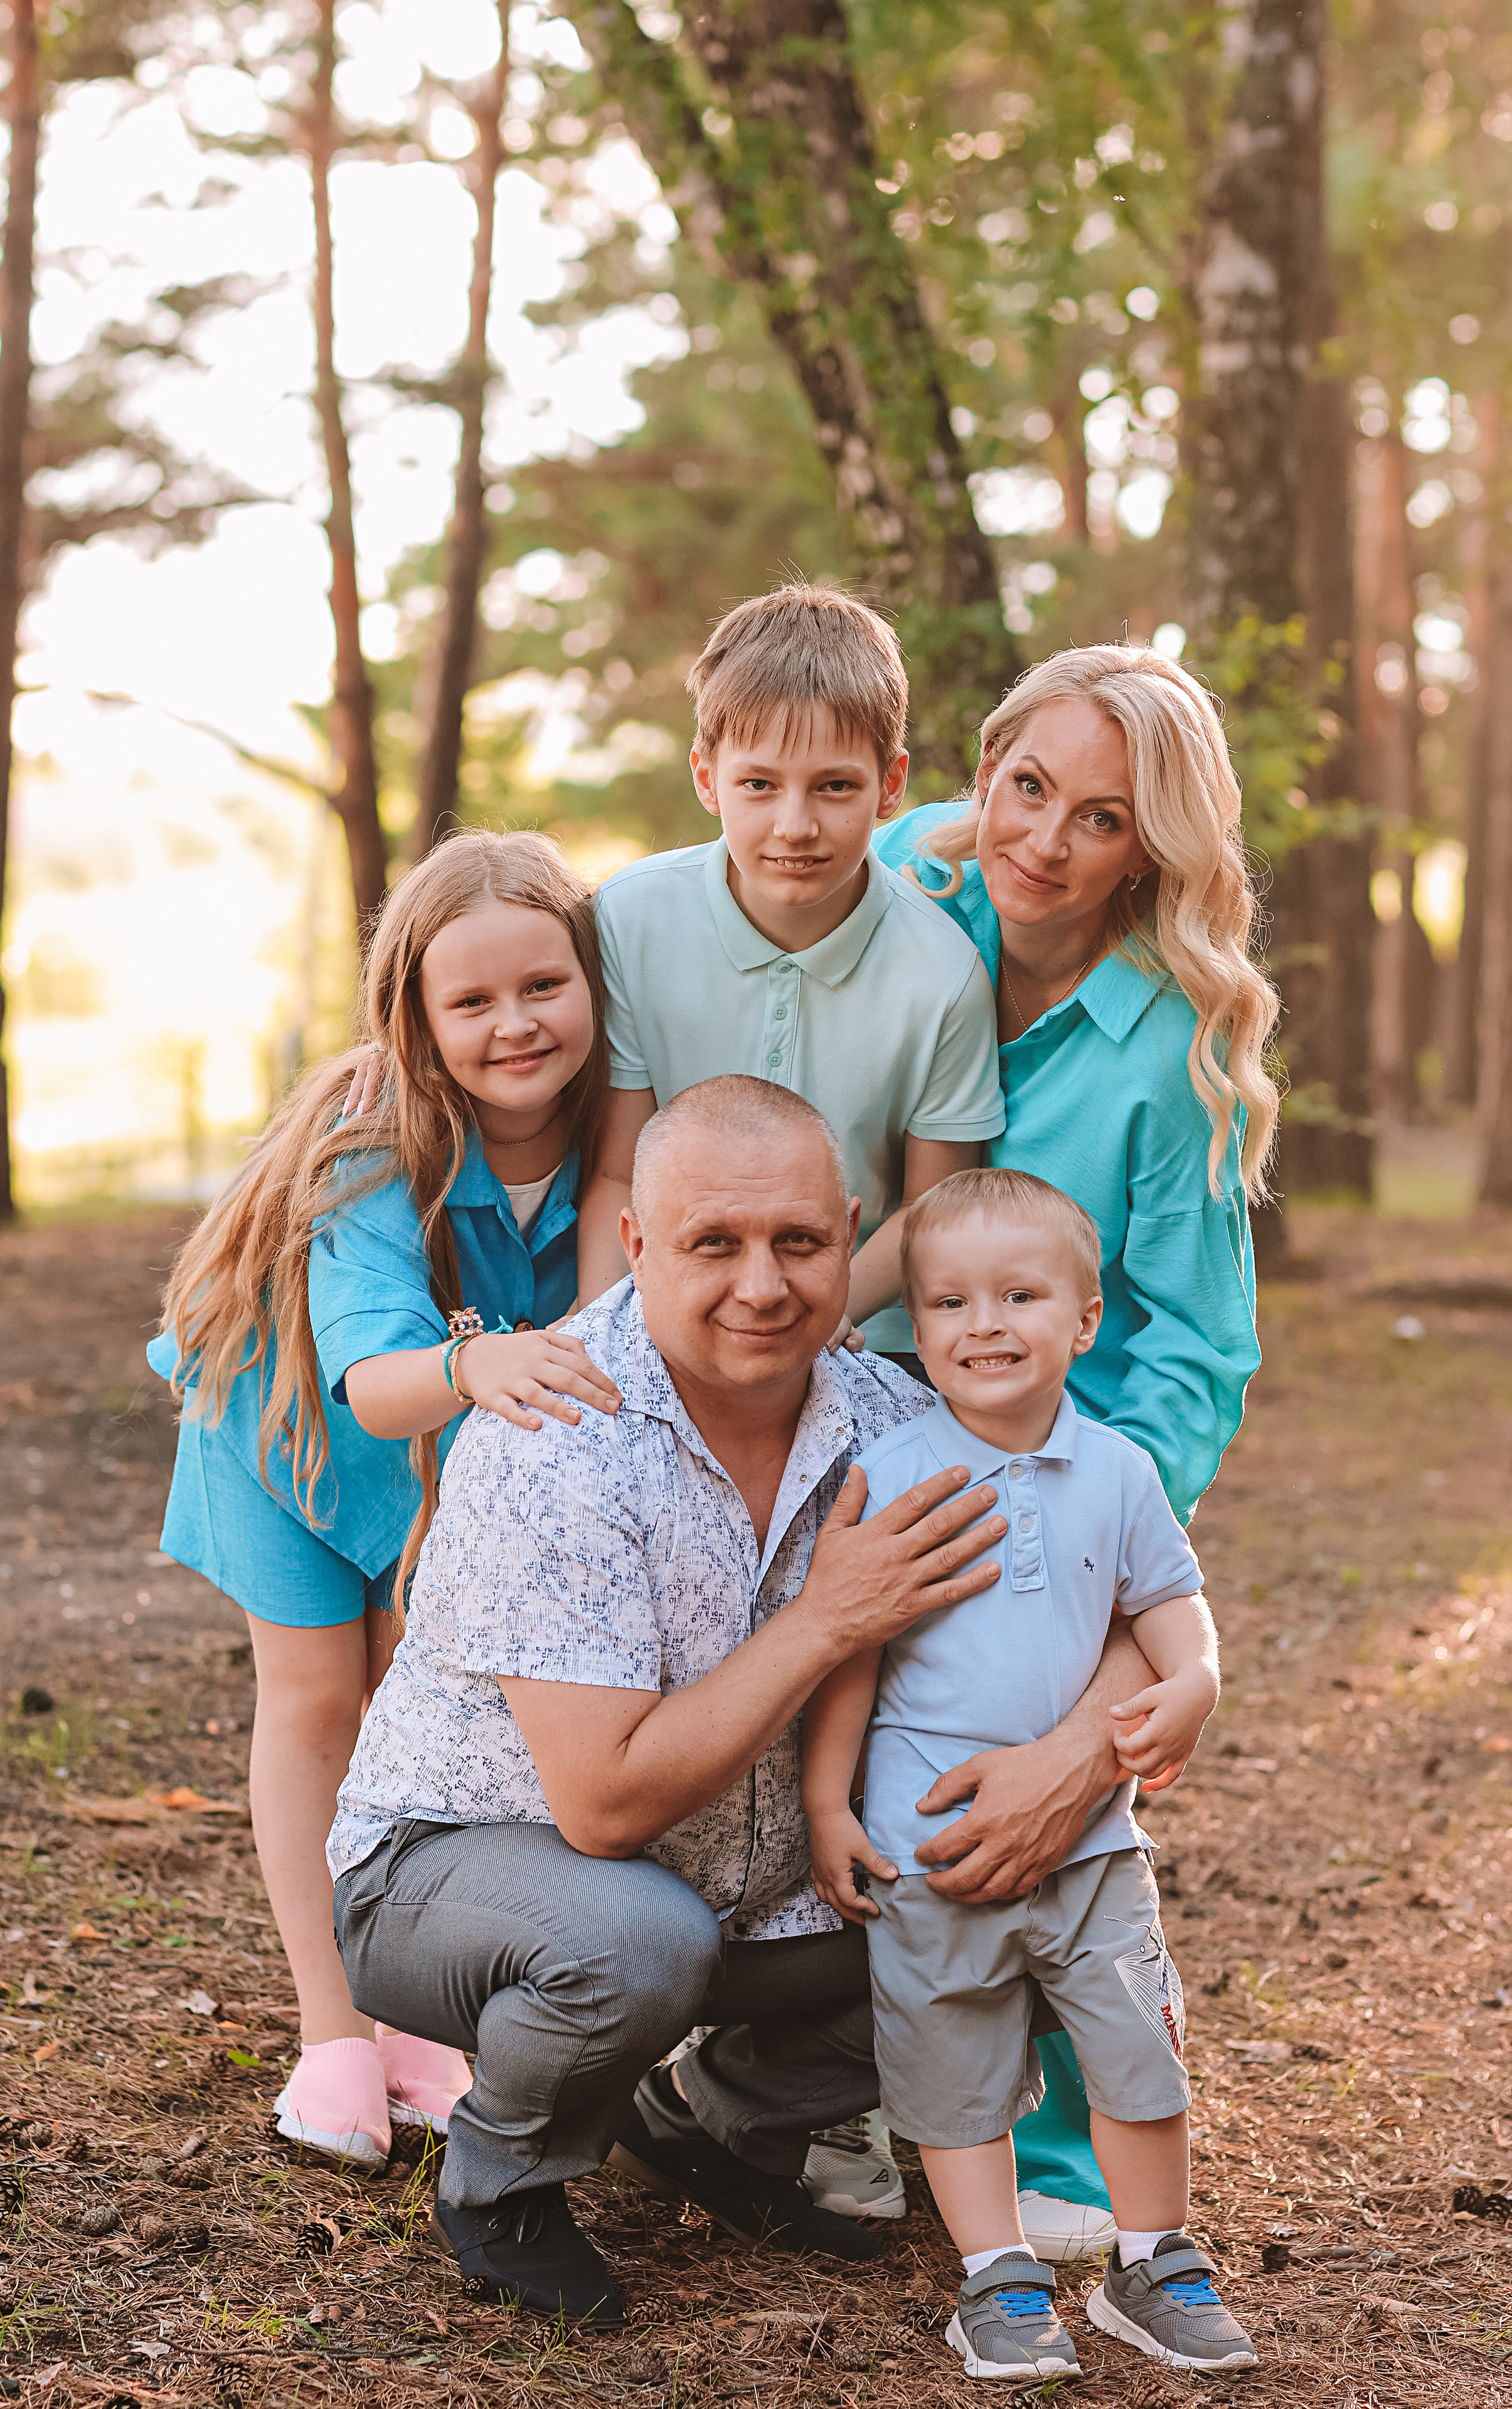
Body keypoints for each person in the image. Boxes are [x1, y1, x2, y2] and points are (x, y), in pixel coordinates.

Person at [329, 1077, 1174, 2328]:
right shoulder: (556, 1434)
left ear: (849, 1232)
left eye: (798, 1241)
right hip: (458, 1872)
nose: (762, 1284)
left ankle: (703, 2112)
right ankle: (501, 2174)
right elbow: (603, 1808)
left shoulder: (902, 1424)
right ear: (634, 1243)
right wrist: (826, 1618)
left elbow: (1112, 1615)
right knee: (630, 1939)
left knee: (1041, 1912)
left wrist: (1066, 1763)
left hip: (757, 1893)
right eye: (711, 1244)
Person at [871, 644, 1279, 2258]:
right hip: (861, 1426)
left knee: (1038, 1781)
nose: (1042, 840)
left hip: (1061, 1471)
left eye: (1098, 817)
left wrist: (1098, 1546)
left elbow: (1196, 1343)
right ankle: (803, 2079)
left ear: (1149, 848)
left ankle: (1050, 2143)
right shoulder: (906, 892)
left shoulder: (1170, 1043)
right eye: (1023, 788)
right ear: (983, 775)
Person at [149, 831, 620, 2172]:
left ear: (591, 982)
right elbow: (369, 1382)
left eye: (542, 986)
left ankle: (411, 2020)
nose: (514, 1024)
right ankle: (330, 2035)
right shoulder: (375, 1135)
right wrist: (479, 1360)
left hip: (445, 1473)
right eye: (468, 1002)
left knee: (413, 1722)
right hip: (290, 1428)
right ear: (411, 1018)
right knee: (315, 1704)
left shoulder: (623, 1134)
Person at [803, 1167, 1257, 2378]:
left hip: (1097, 1841)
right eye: (948, 1303)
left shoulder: (1119, 1472)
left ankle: (1152, 2257)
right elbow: (851, 1654)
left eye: (1019, 1295)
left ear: (1084, 1320)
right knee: (951, 2061)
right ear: (917, 1327)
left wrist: (1197, 1686)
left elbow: (1174, 1609)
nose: (984, 1325)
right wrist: (826, 1800)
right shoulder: (893, 1469)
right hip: (928, 1836)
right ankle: (995, 2277)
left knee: (1134, 2046)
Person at [575, 580, 1005, 1369]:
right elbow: (615, 1171)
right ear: (707, 778)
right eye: (759, 785)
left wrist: (819, 1310)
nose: (796, 825)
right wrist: (601, 1345)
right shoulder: (630, 922)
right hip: (665, 1320)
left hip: (860, 1336)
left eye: (835, 786)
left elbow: (929, 1204)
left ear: (892, 784)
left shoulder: (942, 974)